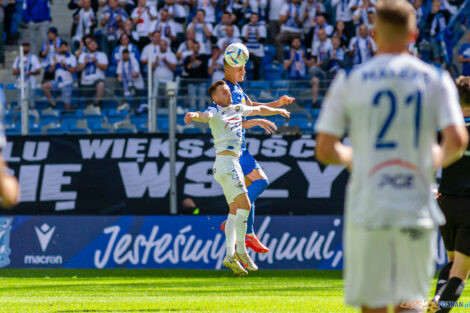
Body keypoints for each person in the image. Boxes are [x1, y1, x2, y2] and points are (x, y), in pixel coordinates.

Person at [314, 1, 468, 313]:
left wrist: (358, 156)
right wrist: (427, 160)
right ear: (413, 35)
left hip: (369, 205)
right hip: (414, 204)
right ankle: (437, 304)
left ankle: (435, 304)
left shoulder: (350, 79)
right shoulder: (435, 78)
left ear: (373, 34)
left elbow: (325, 149)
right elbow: (457, 140)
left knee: (374, 303)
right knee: (409, 299)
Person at [184, 80, 290, 274]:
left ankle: (229, 256)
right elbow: (204, 115)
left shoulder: (236, 108)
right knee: (246, 206)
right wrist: (193, 115)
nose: (228, 94)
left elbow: (257, 110)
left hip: (231, 164)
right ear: (215, 97)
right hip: (226, 164)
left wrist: (277, 110)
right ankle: (241, 251)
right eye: (223, 93)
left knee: (234, 210)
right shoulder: (215, 110)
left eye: (228, 91)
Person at [219, 51, 295, 254]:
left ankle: (248, 232)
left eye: (244, 66)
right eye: (240, 67)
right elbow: (231, 121)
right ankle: (232, 220)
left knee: (251, 186)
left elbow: (253, 107)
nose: (244, 70)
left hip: (240, 149)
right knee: (260, 182)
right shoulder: (226, 91)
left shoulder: (237, 88)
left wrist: (277, 104)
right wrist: (257, 121)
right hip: (233, 151)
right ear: (228, 68)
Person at [428, 76, 470, 313]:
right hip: (468, 208)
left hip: (445, 204)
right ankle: (437, 310)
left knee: (453, 263)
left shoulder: (444, 132)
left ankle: (435, 302)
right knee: (460, 273)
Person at [41, 41, 77, 111]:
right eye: (62, 47)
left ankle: (67, 114)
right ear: (60, 48)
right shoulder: (56, 56)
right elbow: (50, 70)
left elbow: (73, 71)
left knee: (67, 105)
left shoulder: (72, 57)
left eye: (65, 47)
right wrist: (54, 63)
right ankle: (53, 103)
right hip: (57, 82)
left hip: (67, 82)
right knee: (44, 86)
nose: (63, 48)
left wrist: (65, 66)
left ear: (68, 47)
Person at [77, 38, 108, 107]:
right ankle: (92, 111)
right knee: (89, 105)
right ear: (87, 46)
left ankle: (97, 102)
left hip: (97, 79)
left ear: (97, 45)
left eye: (94, 44)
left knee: (101, 84)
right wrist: (85, 62)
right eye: (91, 44)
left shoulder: (101, 54)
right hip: (86, 81)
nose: (93, 46)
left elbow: (105, 67)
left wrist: (96, 62)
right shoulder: (83, 55)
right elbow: (78, 69)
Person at [12, 42, 41, 108]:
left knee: (31, 102)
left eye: (27, 46)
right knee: (20, 103)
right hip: (20, 83)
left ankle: (32, 116)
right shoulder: (18, 59)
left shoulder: (34, 58)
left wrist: (30, 72)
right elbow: (14, 72)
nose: (25, 48)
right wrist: (21, 69)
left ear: (29, 47)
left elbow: (38, 71)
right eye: (24, 46)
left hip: (31, 82)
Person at [241, 12, 266, 81]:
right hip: (248, 50)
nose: (254, 19)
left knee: (257, 62)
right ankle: (242, 78)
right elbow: (243, 40)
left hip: (257, 51)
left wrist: (257, 34)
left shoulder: (261, 27)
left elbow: (262, 41)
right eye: (253, 17)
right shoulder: (245, 27)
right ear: (250, 18)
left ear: (257, 19)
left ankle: (256, 80)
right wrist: (248, 34)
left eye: (256, 18)